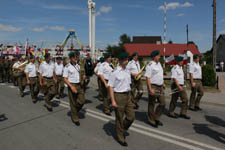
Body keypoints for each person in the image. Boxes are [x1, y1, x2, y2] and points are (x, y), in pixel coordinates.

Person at [108, 52, 134, 147]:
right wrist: (113, 101)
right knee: (119, 118)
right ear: (120, 61)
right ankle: (120, 137)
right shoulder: (114, 72)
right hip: (119, 96)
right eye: (125, 59)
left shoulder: (127, 71)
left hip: (128, 96)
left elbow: (129, 84)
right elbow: (110, 87)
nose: (127, 61)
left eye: (127, 59)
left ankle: (122, 129)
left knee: (131, 117)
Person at [63, 52, 86, 126]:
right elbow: (65, 78)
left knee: (82, 101)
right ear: (70, 58)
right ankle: (75, 117)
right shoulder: (67, 67)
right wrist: (71, 86)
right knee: (73, 102)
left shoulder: (79, 65)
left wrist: (83, 76)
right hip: (72, 85)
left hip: (79, 85)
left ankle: (74, 111)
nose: (75, 58)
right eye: (74, 57)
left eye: (76, 57)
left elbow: (82, 74)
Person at [144, 50, 165, 128]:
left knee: (162, 103)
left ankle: (156, 117)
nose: (160, 57)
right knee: (152, 104)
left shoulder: (159, 64)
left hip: (160, 86)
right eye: (158, 56)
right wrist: (150, 89)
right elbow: (147, 77)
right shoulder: (150, 65)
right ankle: (151, 120)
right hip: (153, 86)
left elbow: (159, 75)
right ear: (155, 56)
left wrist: (163, 83)